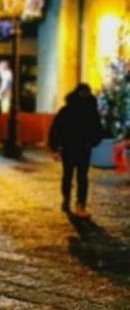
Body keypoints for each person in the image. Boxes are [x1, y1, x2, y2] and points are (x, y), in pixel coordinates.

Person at [49, 84, 104, 218]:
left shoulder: (87, 111)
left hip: (79, 147)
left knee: (79, 176)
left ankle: (78, 204)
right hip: (72, 147)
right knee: (71, 176)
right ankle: (69, 201)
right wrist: (55, 147)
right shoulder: (70, 110)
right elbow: (57, 129)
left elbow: (98, 130)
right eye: (83, 92)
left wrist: (93, 141)